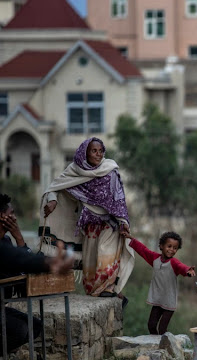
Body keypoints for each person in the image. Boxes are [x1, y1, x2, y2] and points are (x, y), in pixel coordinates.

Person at [42, 137, 134, 305]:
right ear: (85, 153)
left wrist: (123, 222)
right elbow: (54, 187)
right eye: (94, 151)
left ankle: (108, 290)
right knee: (91, 262)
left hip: (110, 224)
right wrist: (53, 200)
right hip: (89, 226)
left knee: (106, 256)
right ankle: (103, 295)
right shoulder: (74, 171)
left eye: (100, 151)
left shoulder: (110, 170)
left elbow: (119, 200)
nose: (98, 155)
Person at [0, 193, 74, 354]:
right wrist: (47, 263)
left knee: (36, 326)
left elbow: (22, 262)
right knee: (19, 330)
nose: (14, 218)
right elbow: (16, 258)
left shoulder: (6, 241)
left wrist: (19, 239)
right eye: (11, 214)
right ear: (2, 217)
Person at [125, 231, 196, 335]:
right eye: (169, 246)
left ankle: (165, 348)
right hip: (157, 299)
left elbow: (181, 267)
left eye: (175, 248)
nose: (171, 250)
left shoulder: (174, 262)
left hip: (169, 301)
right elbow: (143, 250)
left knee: (162, 329)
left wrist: (188, 271)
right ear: (161, 246)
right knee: (151, 325)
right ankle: (156, 345)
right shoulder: (155, 258)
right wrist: (131, 238)